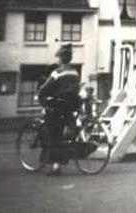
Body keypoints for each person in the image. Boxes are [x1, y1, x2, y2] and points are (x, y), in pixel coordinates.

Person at [37, 43, 81, 175]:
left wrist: (41, 97)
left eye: (57, 57)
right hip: (72, 105)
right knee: (63, 133)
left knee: (53, 134)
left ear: (60, 58)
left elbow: (45, 88)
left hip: (59, 106)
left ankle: (56, 166)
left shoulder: (57, 72)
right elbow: (76, 88)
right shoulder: (74, 72)